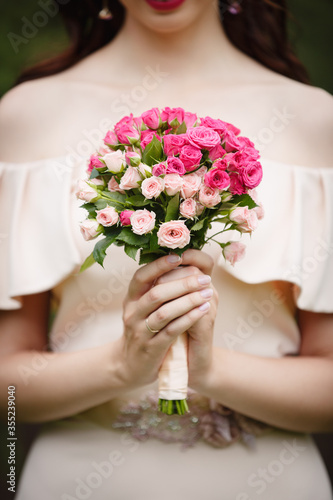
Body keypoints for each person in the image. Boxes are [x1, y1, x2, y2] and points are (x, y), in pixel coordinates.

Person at [0, 0, 332, 498]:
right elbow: (7, 390)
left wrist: (212, 370)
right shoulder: (28, 114)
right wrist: (121, 365)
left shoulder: (315, 119)